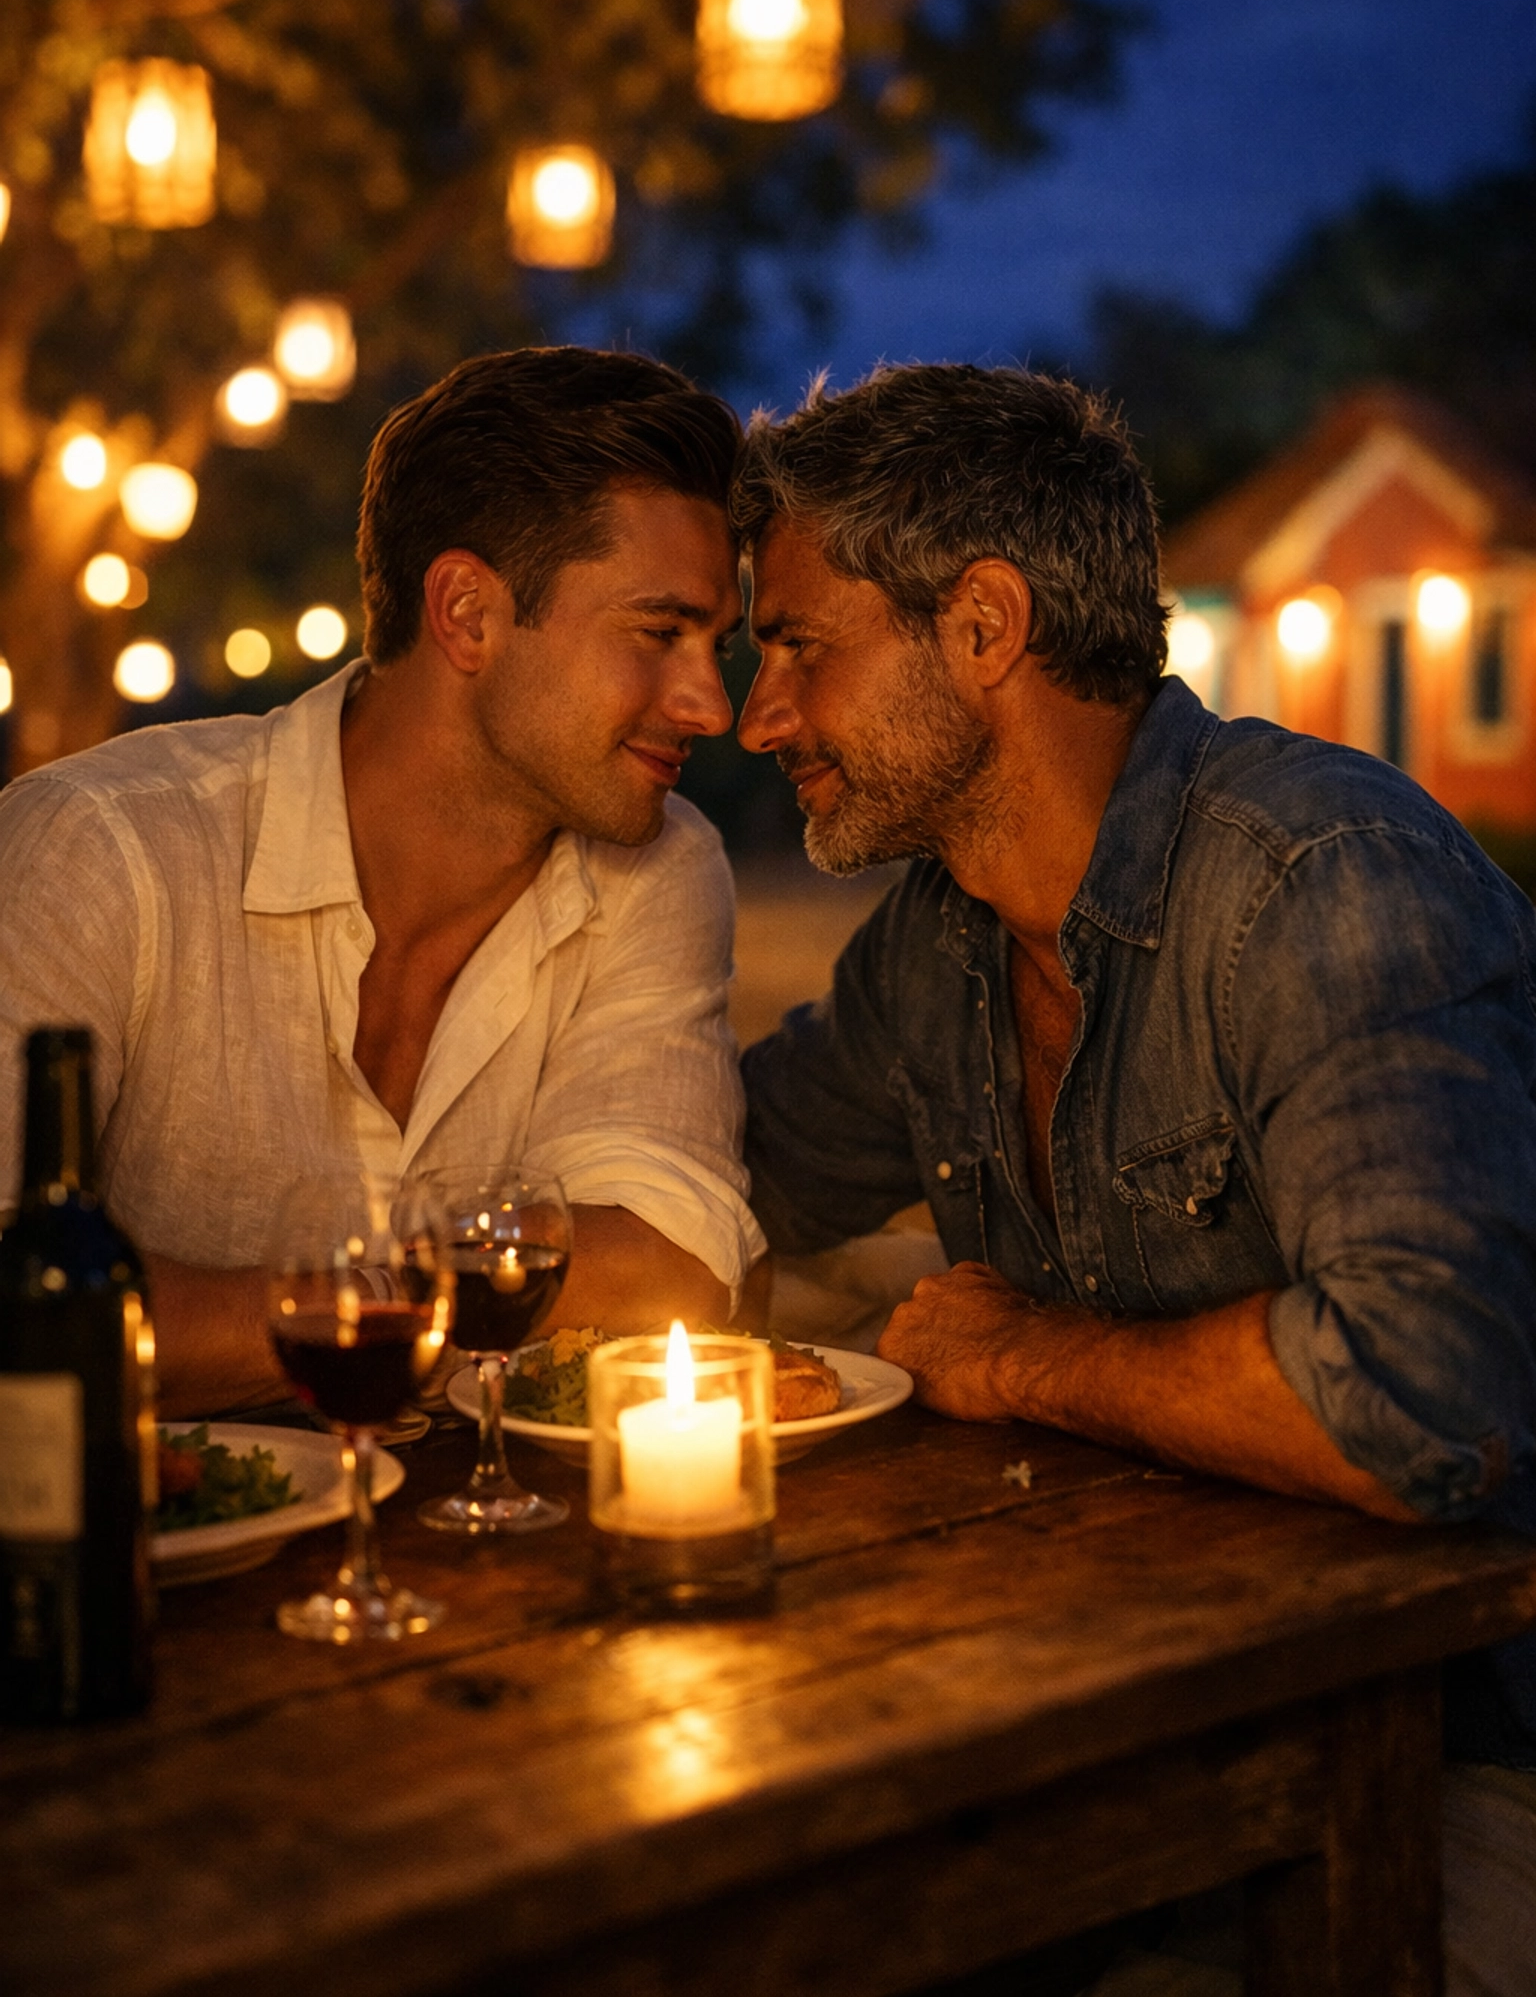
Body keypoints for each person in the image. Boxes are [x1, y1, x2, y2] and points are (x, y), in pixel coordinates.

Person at [732, 362, 1536, 1994]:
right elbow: (723, 1180)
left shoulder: (1324, 884)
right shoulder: (932, 955)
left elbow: (1422, 1392)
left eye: (795, 645)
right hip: (1138, 1727)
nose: (758, 716)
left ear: (982, 623)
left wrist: (1023, 1352)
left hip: (1459, 1750)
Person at [0, 346, 764, 1416]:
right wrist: (458, 1296)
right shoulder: (102, 850)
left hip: (474, 1560)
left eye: (715, 646)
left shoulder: (662, 865)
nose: (709, 707)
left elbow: (665, 1263)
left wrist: (261, 1317)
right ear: (465, 613)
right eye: (660, 632)